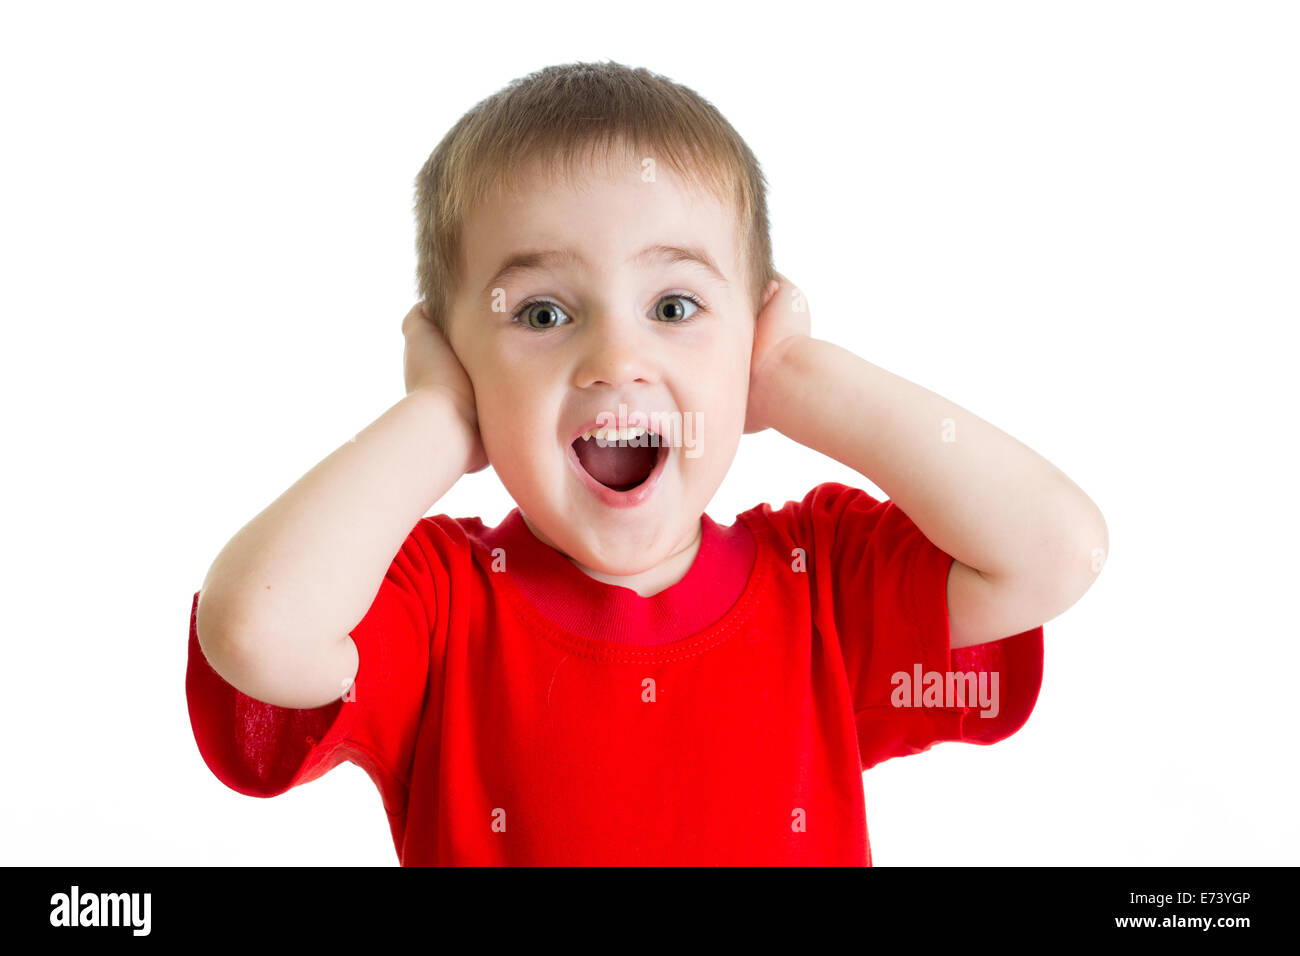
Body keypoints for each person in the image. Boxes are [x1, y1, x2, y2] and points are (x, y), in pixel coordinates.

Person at [187, 60, 1107, 865]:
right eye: (543, 314)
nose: (615, 359)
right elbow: (256, 633)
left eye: (674, 307)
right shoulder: (439, 602)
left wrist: (795, 377)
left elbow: (1056, 550)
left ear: (751, 333)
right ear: (458, 358)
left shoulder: (821, 581)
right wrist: (433, 418)